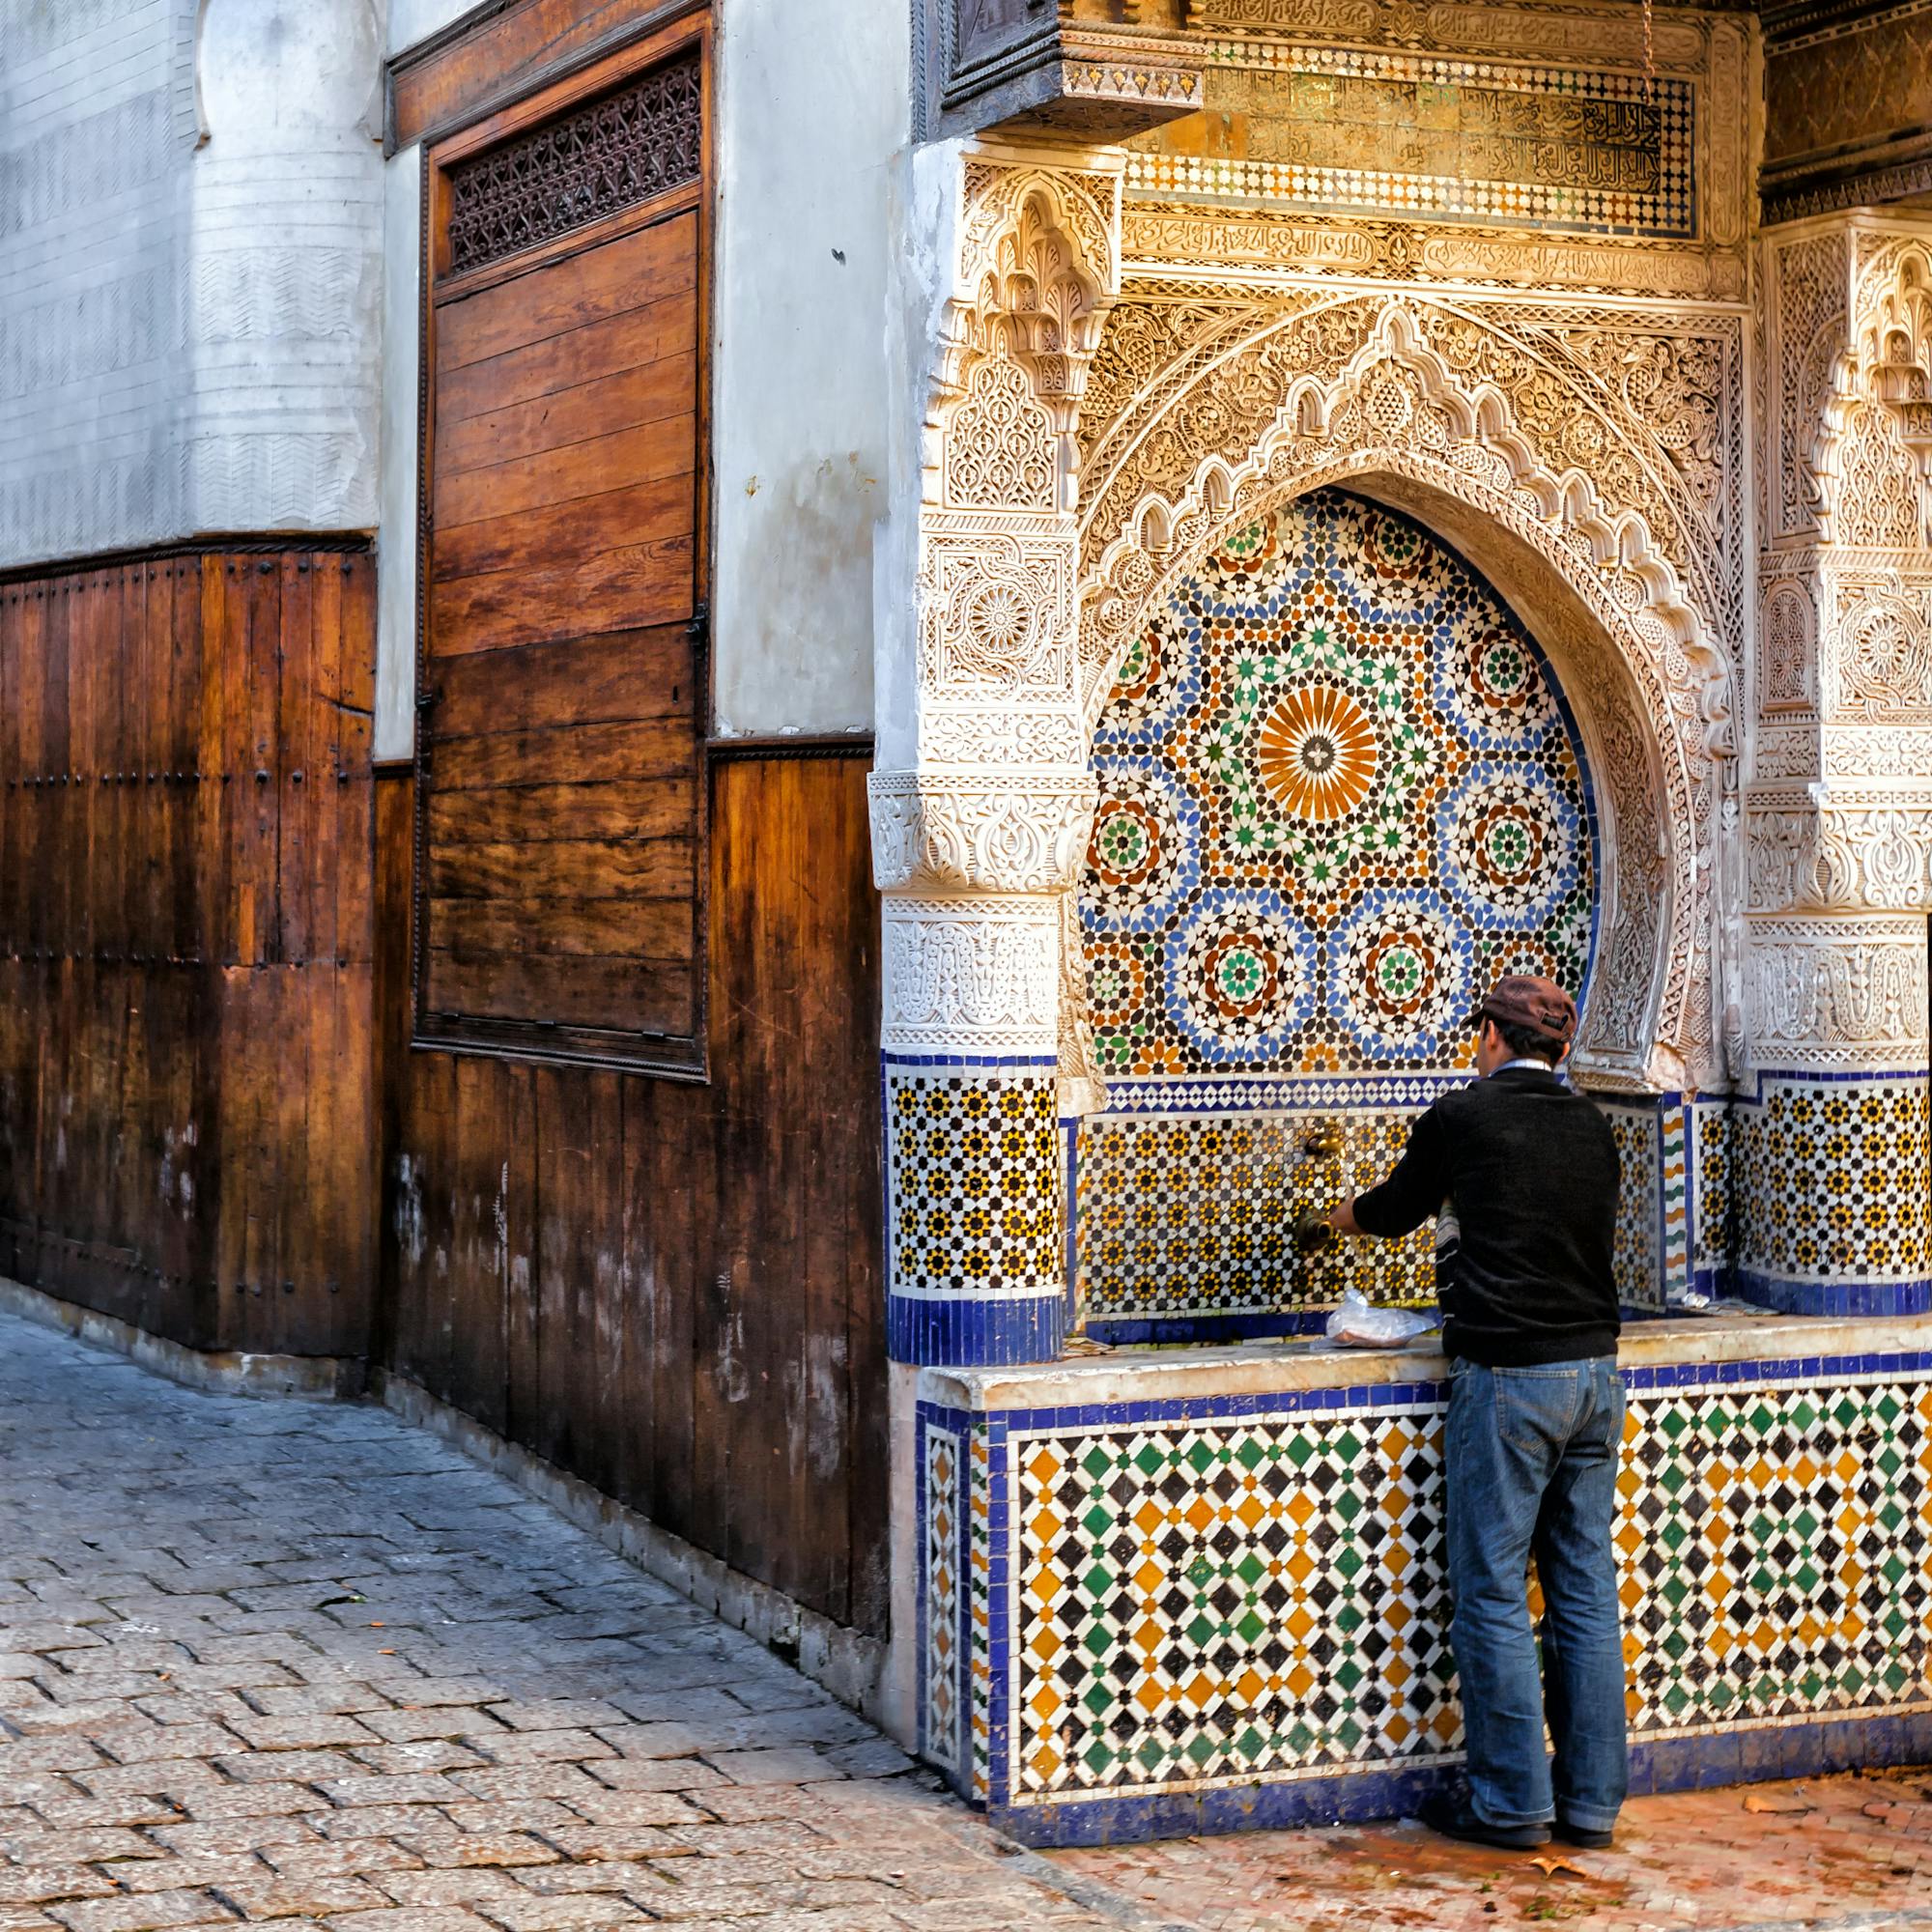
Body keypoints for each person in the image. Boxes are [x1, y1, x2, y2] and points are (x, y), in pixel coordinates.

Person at [1310, 974, 1627, 1852]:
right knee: (1583, 1590)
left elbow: (1393, 1209)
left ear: (1492, 1035)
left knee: (1489, 1591)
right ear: (1558, 1049)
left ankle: (1511, 1806)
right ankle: (1592, 1807)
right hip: (1596, 1378)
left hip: (1510, 1379)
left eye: (1478, 1030)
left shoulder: (1464, 1116)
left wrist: (1330, 1222)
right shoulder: (1594, 1127)